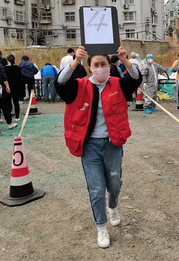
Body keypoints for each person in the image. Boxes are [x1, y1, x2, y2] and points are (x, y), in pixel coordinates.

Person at [55, 45, 141, 249]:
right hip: (90, 147)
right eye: (96, 65)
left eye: (104, 64)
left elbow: (136, 79)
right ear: (90, 67)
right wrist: (75, 61)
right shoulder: (79, 86)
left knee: (114, 185)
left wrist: (126, 60)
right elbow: (60, 84)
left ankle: (112, 207)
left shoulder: (118, 84)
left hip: (112, 145)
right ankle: (101, 227)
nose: (101, 68)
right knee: (96, 189)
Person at [4, 55, 22, 121]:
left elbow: (4, 78)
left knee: (8, 102)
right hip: (16, 86)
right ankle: (17, 116)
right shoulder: (17, 67)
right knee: (16, 102)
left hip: (8, 86)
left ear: (7, 60)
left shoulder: (5, 68)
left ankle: (9, 114)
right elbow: (20, 77)